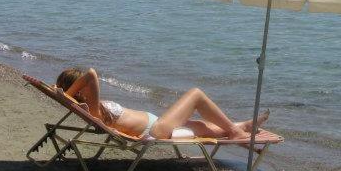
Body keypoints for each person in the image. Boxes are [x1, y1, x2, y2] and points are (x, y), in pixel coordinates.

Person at [56, 67, 269, 140]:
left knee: (200, 127)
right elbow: (92, 74)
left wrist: (67, 94)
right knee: (196, 95)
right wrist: (68, 94)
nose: (86, 86)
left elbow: (88, 77)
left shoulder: (91, 107)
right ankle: (235, 131)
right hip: (155, 130)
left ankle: (242, 126)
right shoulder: (93, 110)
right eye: (81, 84)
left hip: (156, 125)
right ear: (79, 88)